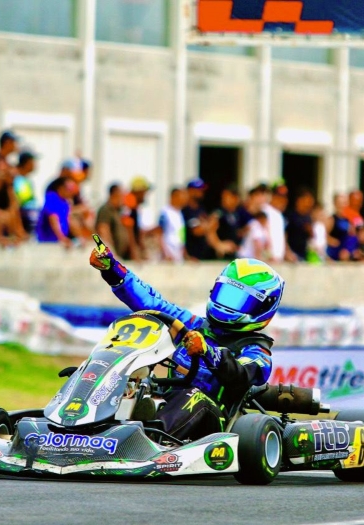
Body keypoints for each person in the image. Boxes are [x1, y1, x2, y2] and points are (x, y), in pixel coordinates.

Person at [89, 240, 283, 441]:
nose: (227, 304)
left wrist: (208, 352)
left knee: (193, 396)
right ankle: (83, 429)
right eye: (226, 294)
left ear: (262, 308)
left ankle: (144, 442)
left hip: (214, 425)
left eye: (238, 300)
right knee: (130, 381)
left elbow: (241, 374)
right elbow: (151, 302)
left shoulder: (258, 351)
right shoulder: (194, 325)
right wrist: (112, 271)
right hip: (167, 402)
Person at [37, 179, 76, 247]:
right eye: (69, 189)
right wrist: (61, 237)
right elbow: (53, 218)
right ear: (61, 188)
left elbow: (68, 220)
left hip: (58, 241)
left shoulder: (65, 202)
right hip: (48, 242)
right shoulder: (52, 198)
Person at [96, 183, 131, 259]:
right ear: (115, 195)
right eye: (122, 196)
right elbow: (103, 232)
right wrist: (111, 254)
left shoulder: (119, 211)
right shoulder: (106, 210)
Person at [285, 189, 315, 261]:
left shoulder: (308, 217)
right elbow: (284, 234)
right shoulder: (290, 215)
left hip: (304, 254)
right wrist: (287, 252)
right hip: (292, 254)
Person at [13, 150, 39, 233]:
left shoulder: (26, 180)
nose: (35, 165)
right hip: (23, 219)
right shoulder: (17, 179)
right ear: (27, 163)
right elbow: (17, 202)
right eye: (33, 162)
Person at [264, 182, 289, 263]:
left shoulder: (280, 215)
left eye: (285, 197)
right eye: (280, 196)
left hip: (278, 260)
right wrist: (267, 254)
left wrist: (287, 252)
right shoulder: (264, 211)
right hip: (265, 260)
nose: (283, 200)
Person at [159, 188, 187, 262]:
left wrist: (185, 255)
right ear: (174, 197)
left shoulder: (180, 214)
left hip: (178, 256)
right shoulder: (165, 212)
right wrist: (166, 253)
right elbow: (159, 233)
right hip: (168, 255)